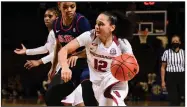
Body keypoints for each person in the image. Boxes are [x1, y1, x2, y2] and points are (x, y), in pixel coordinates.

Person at [58, 11, 136, 106]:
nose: (97, 27)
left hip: (115, 85)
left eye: (101, 24)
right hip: (95, 83)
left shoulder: (122, 44)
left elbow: (133, 67)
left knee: (109, 101)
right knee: (69, 102)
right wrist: (65, 67)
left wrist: (124, 70)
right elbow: (64, 50)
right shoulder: (89, 36)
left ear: (112, 27)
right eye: (96, 23)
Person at [14, 7, 85, 106]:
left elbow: (57, 52)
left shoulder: (55, 32)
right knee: (72, 100)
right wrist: (27, 51)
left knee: (55, 98)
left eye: (50, 16)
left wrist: (39, 61)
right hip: (62, 69)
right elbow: (46, 48)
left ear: (57, 18)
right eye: (45, 16)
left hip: (65, 69)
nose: (46, 18)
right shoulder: (52, 33)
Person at [46, 2, 97, 106]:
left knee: (87, 96)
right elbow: (59, 46)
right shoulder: (56, 23)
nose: (69, 9)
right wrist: (53, 67)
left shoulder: (81, 22)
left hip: (86, 63)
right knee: (51, 96)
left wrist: (77, 55)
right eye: (65, 7)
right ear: (59, 6)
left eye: (72, 6)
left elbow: (92, 47)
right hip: (69, 64)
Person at [161, 35, 185, 106]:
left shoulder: (184, 53)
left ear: (180, 42)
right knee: (173, 99)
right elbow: (163, 67)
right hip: (171, 76)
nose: (175, 42)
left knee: (183, 97)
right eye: (173, 41)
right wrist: (163, 81)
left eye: (176, 41)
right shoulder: (166, 53)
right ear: (171, 43)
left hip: (182, 76)